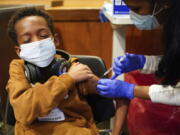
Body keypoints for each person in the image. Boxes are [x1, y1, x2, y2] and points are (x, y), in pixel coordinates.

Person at [6, 7, 101, 135]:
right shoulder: (18, 69)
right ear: (19, 50)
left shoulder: (69, 65)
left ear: (55, 40)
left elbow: (104, 91)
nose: (37, 43)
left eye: (43, 36)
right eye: (27, 40)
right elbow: (24, 111)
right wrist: (68, 79)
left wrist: (98, 84)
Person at [97, 0, 180, 135]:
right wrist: (142, 62)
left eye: (136, 9)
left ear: (165, 3)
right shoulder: (173, 22)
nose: (132, 15)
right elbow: (176, 61)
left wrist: (131, 90)